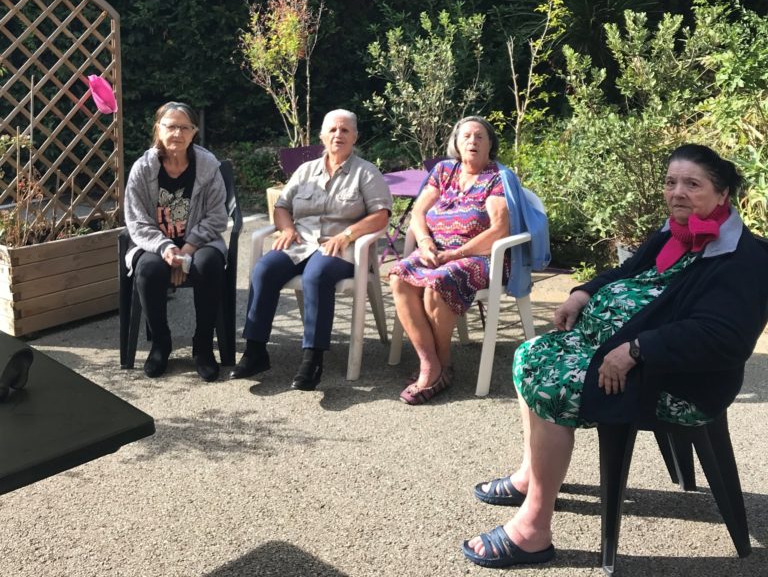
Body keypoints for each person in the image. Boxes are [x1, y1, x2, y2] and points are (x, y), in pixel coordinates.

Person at [463, 144, 768, 568]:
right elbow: (628, 272)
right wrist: (582, 292)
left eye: (692, 184)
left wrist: (639, 349)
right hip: (619, 352)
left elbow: (723, 338)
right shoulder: (675, 231)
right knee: (532, 354)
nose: (677, 192)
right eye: (670, 182)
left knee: (549, 380)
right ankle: (531, 473)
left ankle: (533, 529)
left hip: (676, 380)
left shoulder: (745, 257)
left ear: (722, 194)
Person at [231, 109, 392, 390]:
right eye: (333, 130)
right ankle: (255, 351)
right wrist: (287, 229)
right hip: (301, 243)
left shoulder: (366, 172)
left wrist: (347, 234)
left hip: (341, 248)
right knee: (265, 269)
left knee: (316, 275)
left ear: (355, 136)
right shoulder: (306, 171)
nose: (338, 135)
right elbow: (282, 206)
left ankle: (312, 359)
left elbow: (381, 215)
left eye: (345, 130)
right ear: (322, 136)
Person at [388, 116, 510, 405]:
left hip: (479, 257)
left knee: (437, 284)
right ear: (456, 142)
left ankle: (439, 366)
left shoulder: (496, 178)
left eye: (480, 137)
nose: (472, 141)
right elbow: (418, 212)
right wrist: (425, 242)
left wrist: (456, 254)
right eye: (466, 136)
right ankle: (431, 362)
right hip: (435, 250)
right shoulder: (444, 170)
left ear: (490, 144)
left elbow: (499, 230)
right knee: (398, 276)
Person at [124, 101, 228, 382]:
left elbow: (218, 215)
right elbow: (136, 221)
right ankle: (161, 343)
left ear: (194, 132)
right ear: (158, 129)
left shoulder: (207, 165)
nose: (177, 134)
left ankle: (203, 345)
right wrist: (167, 248)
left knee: (209, 264)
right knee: (149, 269)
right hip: (153, 244)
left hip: (199, 242)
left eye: (185, 128)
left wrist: (188, 249)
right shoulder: (143, 169)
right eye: (171, 127)